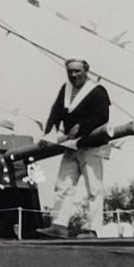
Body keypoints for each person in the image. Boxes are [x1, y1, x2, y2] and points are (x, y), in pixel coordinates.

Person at [40, 57, 112, 235]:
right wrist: (48, 134)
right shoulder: (66, 90)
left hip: (91, 145)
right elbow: (56, 112)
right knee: (63, 184)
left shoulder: (97, 91)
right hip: (71, 146)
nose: (74, 75)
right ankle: (59, 224)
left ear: (86, 71)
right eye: (70, 71)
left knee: (94, 188)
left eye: (77, 71)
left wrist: (83, 126)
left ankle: (94, 229)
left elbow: (103, 116)